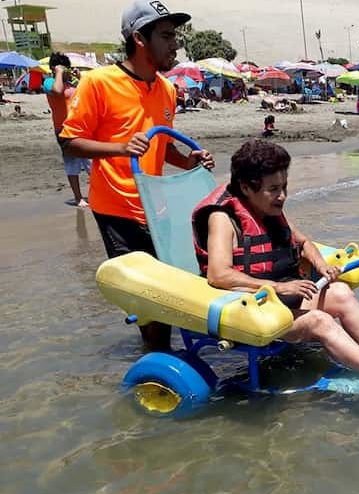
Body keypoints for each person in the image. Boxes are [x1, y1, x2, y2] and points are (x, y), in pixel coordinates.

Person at [192, 140, 359, 384]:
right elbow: (218, 275)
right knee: (320, 320)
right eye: (274, 189)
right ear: (246, 188)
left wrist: (321, 266)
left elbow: (304, 243)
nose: (282, 196)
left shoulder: (268, 210)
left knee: (340, 291)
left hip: (281, 300)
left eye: (284, 186)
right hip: (251, 311)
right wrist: (280, 287)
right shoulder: (222, 219)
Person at [59, 0, 214, 351]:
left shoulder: (166, 89)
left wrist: (190, 162)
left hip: (157, 208)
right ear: (139, 39)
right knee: (151, 301)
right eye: (167, 36)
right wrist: (119, 149)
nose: (176, 44)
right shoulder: (98, 83)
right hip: (116, 209)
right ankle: (157, 368)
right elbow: (70, 142)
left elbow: (159, 146)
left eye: (175, 36)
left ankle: (165, 360)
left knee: (177, 288)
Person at [43, 52, 90, 208]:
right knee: (72, 164)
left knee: (91, 163)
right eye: (63, 68)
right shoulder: (49, 82)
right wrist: (58, 73)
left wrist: (80, 77)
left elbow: (88, 92)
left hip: (82, 128)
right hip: (64, 130)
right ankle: (78, 197)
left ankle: (97, 193)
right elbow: (57, 91)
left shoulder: (71, 84)